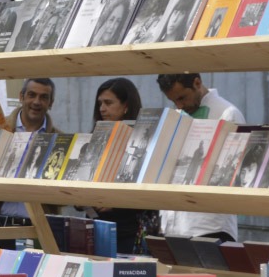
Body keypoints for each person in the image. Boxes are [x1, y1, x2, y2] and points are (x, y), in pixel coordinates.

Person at [157, 73, 243, 241]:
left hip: (209, 225)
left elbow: (231, 171)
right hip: (172, 225)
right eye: (173, 101)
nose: (179, 105)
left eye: (182, 97)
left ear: (197, 83)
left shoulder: (228, 114)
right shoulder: (176, 115)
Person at [88, 77, 154, 254]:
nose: (102, 109)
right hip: (94, 228)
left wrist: (115, 203)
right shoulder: (95, 137)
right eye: (100, 103)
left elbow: (150, 193)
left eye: (108, 103)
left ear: (126, 106)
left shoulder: (143, 142)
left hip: (129, 232)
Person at [0, 78, 60, 221]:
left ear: (51, 103)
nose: (37, 102)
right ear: (21, 97)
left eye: (43, 97)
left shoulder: (60, 140)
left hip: (41, 225)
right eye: (32, 95)